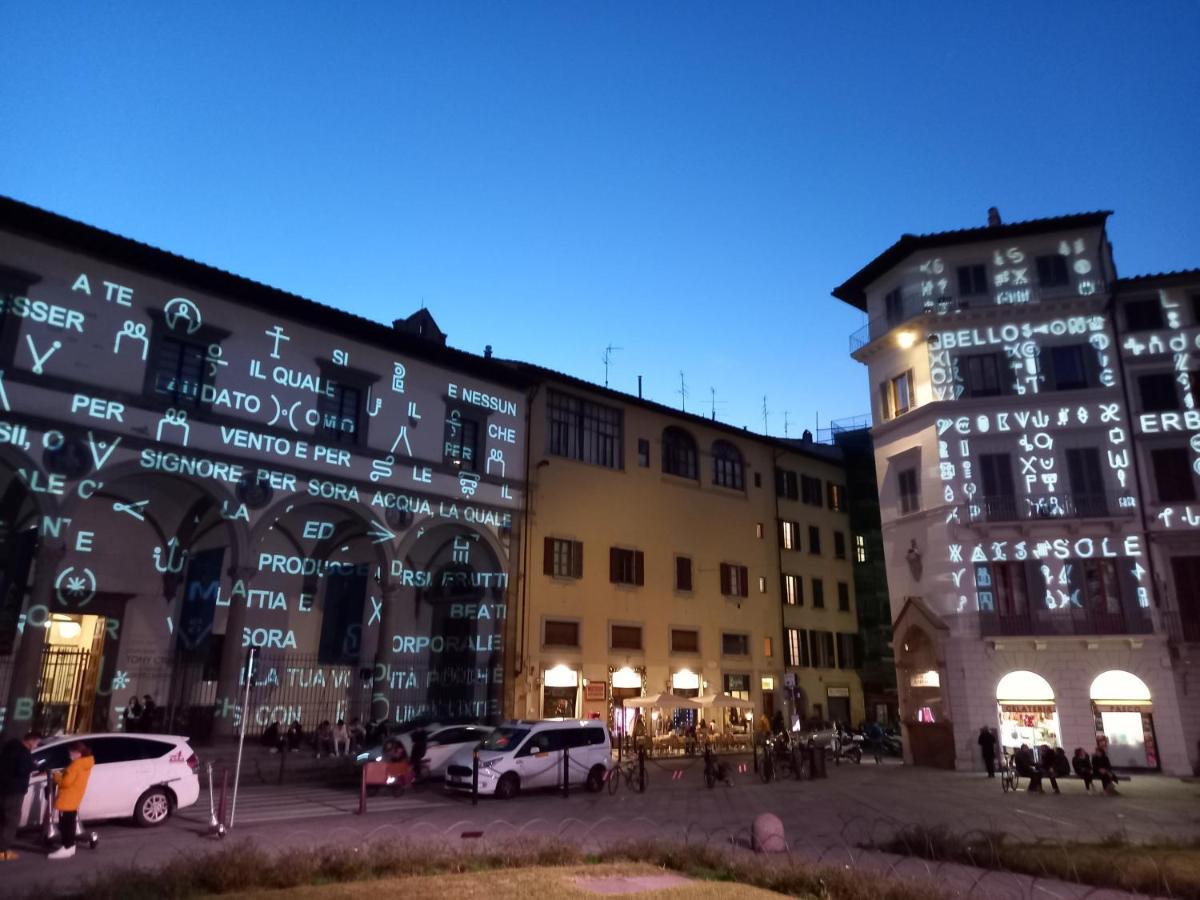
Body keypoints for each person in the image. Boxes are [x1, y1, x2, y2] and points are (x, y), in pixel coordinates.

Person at [48, 742, 94, 860]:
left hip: (67, 798)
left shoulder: (76, 765)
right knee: (70, 823)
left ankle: (67, 847)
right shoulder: (86, 763)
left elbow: (66, 783)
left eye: (71, 752)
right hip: (75, 796)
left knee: (65, 825)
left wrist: (57, 776)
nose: (70, 755)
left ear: (78, 753)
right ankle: (70, 846)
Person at [0, 732, 39, 861]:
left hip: (3, 788)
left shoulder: (9, 748)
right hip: (15, 791)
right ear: (31, 741)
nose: (36, 745)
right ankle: (2, 851)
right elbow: (21, 769)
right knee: (11, 821)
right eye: (36, 743)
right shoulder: (23, 753)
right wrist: (33, 765)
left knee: (2, 819)